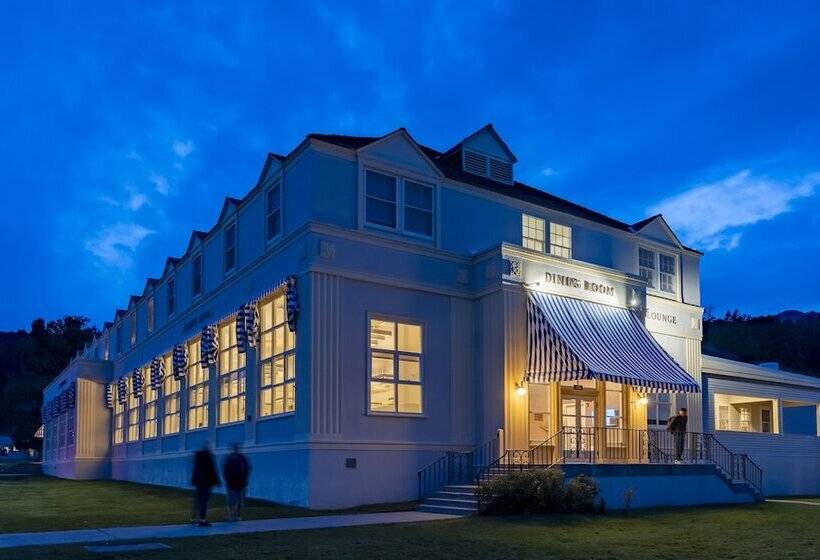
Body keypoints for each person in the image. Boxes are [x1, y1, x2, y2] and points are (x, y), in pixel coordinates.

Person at [191, 442, 220, 526]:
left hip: (198, 482)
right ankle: (202, 520)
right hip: (206, 482)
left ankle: (193, 518)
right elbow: (212, 469)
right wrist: (217, 481)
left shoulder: (197, 456)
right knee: (204, 501)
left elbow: (196, 469)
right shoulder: (208, 457)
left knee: (198, 500)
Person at [222, 443, 251, 521]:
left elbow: (247, 469)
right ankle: (232, 515)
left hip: (239, 483)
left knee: (237, 500)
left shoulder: (240, 458)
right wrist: (227, 479)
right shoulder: (231, 458)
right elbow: (225, 470)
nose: (235, 449)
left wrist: (244, 479)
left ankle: (235, 515)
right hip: (233, 483)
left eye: (236, 448)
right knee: (233, 500)